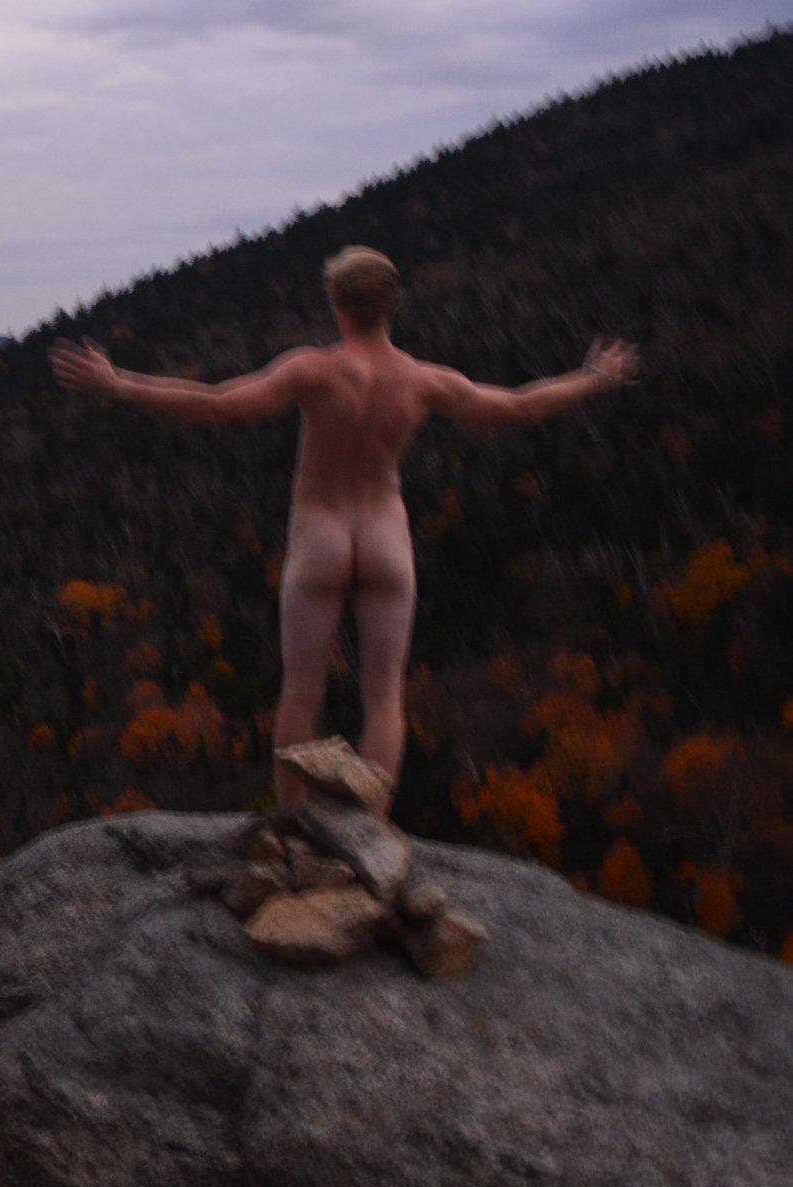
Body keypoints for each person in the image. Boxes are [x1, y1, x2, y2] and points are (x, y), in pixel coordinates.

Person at [49, 246, 637, 812]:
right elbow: (518, 406)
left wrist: (120, 384)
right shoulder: (423, 381)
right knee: (383, 698)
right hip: (386, 540)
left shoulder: (314, 370)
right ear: (392, 304)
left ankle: (291, 822)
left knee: (302, 694)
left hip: (320, 539)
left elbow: (217, 404)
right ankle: (370, 833)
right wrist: (595, 376)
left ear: (337, 300)